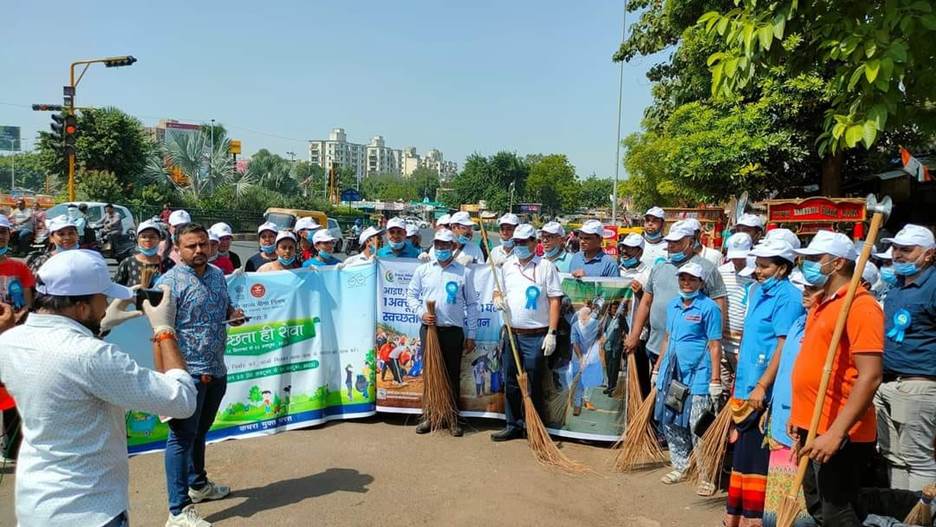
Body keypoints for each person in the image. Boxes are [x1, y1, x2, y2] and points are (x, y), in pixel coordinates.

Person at [0, 249, 197, 526]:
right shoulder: (90, 355)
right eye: (103, 298)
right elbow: (182, 401)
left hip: (36, 505)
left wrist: (99, 328)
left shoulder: (10, 341)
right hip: (91, 510)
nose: (107, 305)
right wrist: (164, 328)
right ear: (80, 307)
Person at [789, 230, 884, 525]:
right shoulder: (822, 303)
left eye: (816, 259)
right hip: (813, 423)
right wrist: (800, 417)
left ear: (839, 263)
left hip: (839, 432)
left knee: (837, 512)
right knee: (817, 507)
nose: (809, 265)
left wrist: (836, 433)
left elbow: (870, 376)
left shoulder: (861, 306)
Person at [156, 223, 246, 527]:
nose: (199, 251)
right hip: (185, 374)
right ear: (178, 250)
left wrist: (233, 316)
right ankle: (178, 510)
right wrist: (171, 374)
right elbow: (160, 332)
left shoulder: (218, 275)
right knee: (181, 438)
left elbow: (226, 309)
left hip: (216, 368)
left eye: (203, 244)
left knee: (199, 432)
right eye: (192, 246)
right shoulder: (168, 283)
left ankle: (198, 485)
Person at [725, 238, 803, 525]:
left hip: (765, 392)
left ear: (782, 269)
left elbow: (784, 346)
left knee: (758, 460)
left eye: (764, 266)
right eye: (757, 265)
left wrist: (762, 385)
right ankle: (736, 516)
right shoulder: (757, 291)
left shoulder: (789, 298)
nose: (758, 271)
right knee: (743, 456)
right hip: (746, 384)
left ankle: (753, 520)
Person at [624, 221, 728, 393]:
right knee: (658, 395)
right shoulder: (659, 268)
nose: (671, 247)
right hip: (657, 345)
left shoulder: (706, 269)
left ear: (690, 242)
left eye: (677, 242)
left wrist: (715, 344)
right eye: (669, 242)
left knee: (684, 397)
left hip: (691, 353)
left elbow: (719, 305)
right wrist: (634, 334)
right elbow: (646, 302)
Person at [651, 262, 722, 492]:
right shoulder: (673, 305)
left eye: (691, 279)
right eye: (682, 279)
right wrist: (657, 368)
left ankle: (706, 475)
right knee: (671, 422)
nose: (686, 283)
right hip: (672, 374)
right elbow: (667, 338)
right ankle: (680, 467)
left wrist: (715, 379)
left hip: (698, 376)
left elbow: (714, 345)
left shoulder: (709, 308)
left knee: (697, 426)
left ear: (701, 283)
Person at [874, 224, 936, 492]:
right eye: (896, 248)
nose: (897, 254)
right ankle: (901, 515)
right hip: (887, 383)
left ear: (929, 255)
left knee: (918, 460)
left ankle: (921, 518)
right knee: (893, 458)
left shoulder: (933, 286)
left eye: (907, 250)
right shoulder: (896, 285)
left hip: (919, 385)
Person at [490, 224, 563, 441]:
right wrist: (497, 298)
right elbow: (498, 289)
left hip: (536, 335)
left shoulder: (545, 267)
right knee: (511, 381)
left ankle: (535, 426)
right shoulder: (507, 265)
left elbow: (554, 300)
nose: (520, 246)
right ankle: (513, 424)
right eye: (517, 242)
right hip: (512, 333)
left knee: (534, 381)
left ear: (534, 242)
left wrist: (552, 332)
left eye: (524, 242)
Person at [406, 229, 480, 437]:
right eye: (437, 245)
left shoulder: (463, 272)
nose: (440, 249)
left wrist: (471, 333)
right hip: (429, 330)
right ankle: (430, 416)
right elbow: (411, 296)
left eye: (445, 245)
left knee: (451, 374)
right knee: (430, 373)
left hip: (453, 331)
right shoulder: (424, 270)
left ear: (453, 247)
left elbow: (472, 304)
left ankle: (452, 417)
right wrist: (421, 313)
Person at [762, 275, 819, 527]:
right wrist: (772, 406)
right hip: (781, 420)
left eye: (813, 289)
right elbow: (786, 370)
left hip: (803, 424)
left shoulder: (824, 328)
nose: (806, 293)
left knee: (802, 502)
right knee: (775, 500)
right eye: (804, 288)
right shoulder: (799, 323)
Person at [0, 215, 35, 463]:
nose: (0, 236)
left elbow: (28, 302)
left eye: (3, 232)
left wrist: (17, 318)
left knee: (12, 388)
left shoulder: (19, 268)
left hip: (14, 335)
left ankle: (12, 448)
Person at [610, 233, 652, 396]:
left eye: (630, 249)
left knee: (639, 372)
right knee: (614, 368)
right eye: (623, 248)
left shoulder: (647, 273)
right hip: (615, 330)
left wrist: (641, 293)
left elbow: (650, 303)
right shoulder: (616, 270)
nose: (625, 251)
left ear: (640, 252)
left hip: (637, 332)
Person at [718, 232, 755, 388]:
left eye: (742, 257)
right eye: (734, 257)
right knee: (722, 388)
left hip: (743, 346)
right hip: (722, 344)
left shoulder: (756, 274)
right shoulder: (721, 272)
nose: (737, 261)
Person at [114, 219, 175, 288]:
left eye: (152, 237)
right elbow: (116, 288)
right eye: (143, 237)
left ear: (159, 239)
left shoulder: (168, 263)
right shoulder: (128, 263)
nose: (148, 240)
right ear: (137, 239)